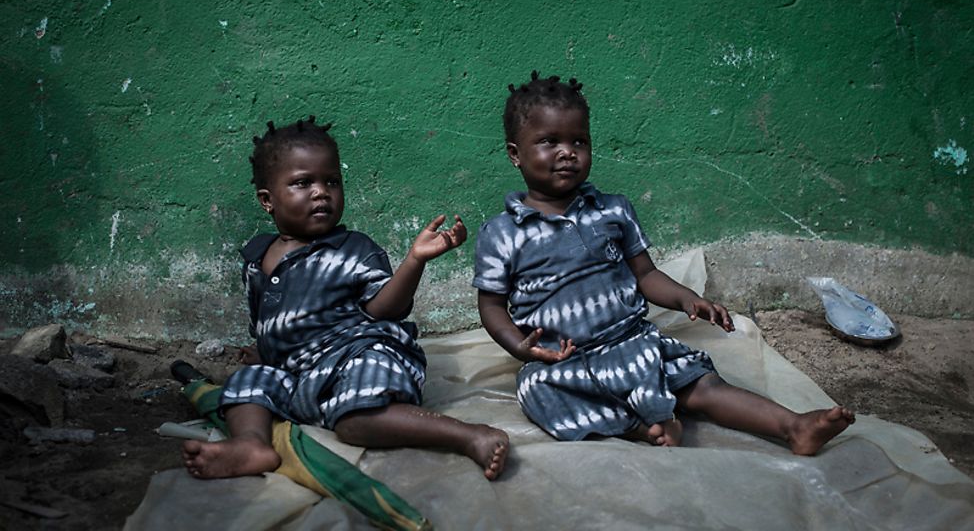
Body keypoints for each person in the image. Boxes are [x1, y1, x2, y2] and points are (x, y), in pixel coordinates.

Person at [473, 71, 854, 453]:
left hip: (631, 341)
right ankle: (643, 425)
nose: (567, 152)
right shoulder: (502, 233)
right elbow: (491, 306)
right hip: (564, 361)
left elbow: (646, 274)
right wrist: (520, 347)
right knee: (536, 391)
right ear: (515, 154)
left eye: (579, 141)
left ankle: (793, 426)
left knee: (701, 385)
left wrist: (688, 299)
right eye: (549, 141)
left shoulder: (613, 211)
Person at [183, 116, 508, 480]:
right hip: (302, 376)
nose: (321, 192)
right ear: (267, 200)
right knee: (246, 385)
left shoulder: (354, 251)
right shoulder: (256, 258)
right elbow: (269, 320)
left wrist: (414, 260)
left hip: (359, 355)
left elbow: (386, 309)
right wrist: (267, 352)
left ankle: (469, 435)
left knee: (354, 422)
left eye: (331, 181)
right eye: (303, 183)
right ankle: (251, 444)